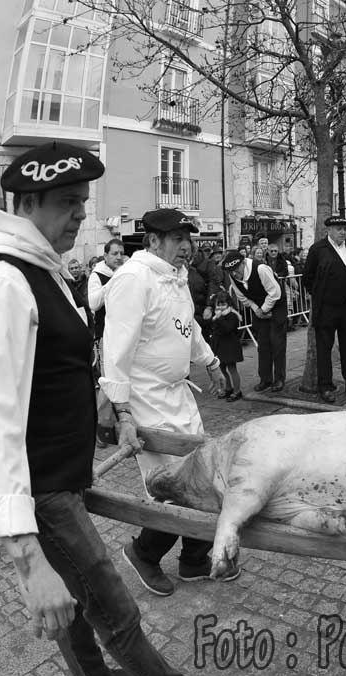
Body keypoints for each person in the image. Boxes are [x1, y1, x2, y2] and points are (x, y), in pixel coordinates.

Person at [0, 142, 237, 676]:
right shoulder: (2, 280)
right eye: (68, 202)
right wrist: (25, 558)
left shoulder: (40, 269)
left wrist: (111, 415)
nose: (82, 213)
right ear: (28, 202)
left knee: (77, 595)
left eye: (83, 201)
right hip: (43, 488)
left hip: (63, 471)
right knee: (113, 604)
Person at [101, 208, 232, 597]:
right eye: (178, 240)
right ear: (154, 241)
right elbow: (116, 352)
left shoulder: (176, 280)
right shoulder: (133, 279)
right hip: (147, 401)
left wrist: (211, 362)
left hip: (178, 396)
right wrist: (122, 412)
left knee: (201, 474)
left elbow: (188, 330)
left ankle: (194, 559)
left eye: (188, 240)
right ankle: (143, 552)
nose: (187, 247)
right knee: (173, 486)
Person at [302, 216, 346, 403]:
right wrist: (319, 295)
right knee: (324, 349)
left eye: (344, 229)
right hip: (327, 310)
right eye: (339, 229)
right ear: (329, 230)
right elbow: (308, 277)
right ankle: (325, 386)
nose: (342, 232)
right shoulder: (318, 250)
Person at [222, 248, 287, 393]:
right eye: (231, 270)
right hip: (258, 308)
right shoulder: (233, 276)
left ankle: (279, 379)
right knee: (263, 345)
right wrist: (257, 310)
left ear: (244, 262)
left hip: (276, 306)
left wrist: (264, 310)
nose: (234, 273)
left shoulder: (261, 269)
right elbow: (243, 297)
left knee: (277, 344)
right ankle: (265, 379)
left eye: (236, 268)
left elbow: (275, 293)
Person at [87, 238, 124, 343]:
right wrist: (113, 281)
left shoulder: (125, 272)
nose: (119, 257)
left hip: (122, 331)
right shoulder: (96, 275)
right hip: (104, 333)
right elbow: (94, 304)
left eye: (122, 253)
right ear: (105, 256)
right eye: (115, 253)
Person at [209, 291, 243, 401]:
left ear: (228, 304)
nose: (221, 307)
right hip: (219, 346)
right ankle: (228, 388)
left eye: (223, 304)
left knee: (232, 369)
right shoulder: (216, 316)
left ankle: (237, 391)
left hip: (230, 346)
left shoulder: (233, 315)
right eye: (219, 304)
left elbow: (228, 329)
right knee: (222, 369)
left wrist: (220, 318)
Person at [187, 244, 222, 343]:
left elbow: (213, 284)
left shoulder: (207, 264)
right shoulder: (179, 263)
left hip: (201, 311)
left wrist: (209, 306)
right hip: (186, 312)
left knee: (203, 343)